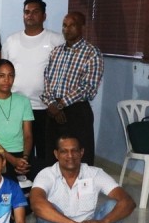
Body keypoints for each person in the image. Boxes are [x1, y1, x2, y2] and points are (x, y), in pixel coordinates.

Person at [1, 0, 64, 160]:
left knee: (45, 153)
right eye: (27, 12)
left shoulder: (56, 40)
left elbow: (64, 75)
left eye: (35, 12)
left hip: (46, 108)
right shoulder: (11, 40)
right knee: (20, 152)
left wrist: (58, 103)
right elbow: (2, 71)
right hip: (16, 107)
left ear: (44, 16)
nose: (30, 15)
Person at [40, 12, 103, 166]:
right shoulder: (56, 52)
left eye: (72, 25)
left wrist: (61, 104)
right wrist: (51, 104)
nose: (67, 29)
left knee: (78, 158)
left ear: (82, 27)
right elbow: (47, 79)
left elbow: (88, 87)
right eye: (64, 25)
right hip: (53, 111)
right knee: (52, 156)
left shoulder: (92, 53)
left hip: (76, 112)